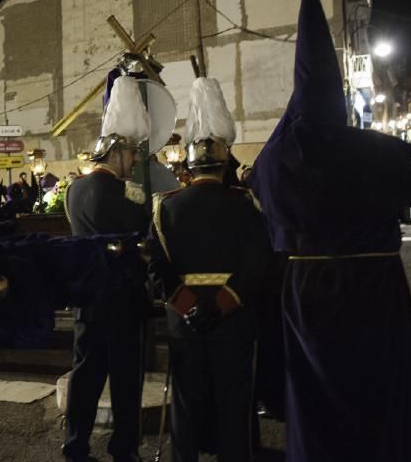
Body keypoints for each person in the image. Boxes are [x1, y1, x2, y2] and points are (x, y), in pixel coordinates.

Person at [248, 0, 411, 462]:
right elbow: (408, 185)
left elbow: (261, 186)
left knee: (316, 391)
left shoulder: (276, 158)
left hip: (309, 288)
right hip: (373, 283)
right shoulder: (380, 152)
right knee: (377, 384)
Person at [149, 76, 270, 462]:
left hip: (184, 325)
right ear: (225, 163)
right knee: (234, 408)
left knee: (186, 409)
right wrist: (220, 305)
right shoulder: (246, 204)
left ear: (188, 165)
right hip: (233, 323)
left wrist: (188, 307)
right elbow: (256, 265)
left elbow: (157, 272)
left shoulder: (164, 207)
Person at [62, 132, 149, 462]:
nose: (134, 161)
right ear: (114, 155)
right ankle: (124, 448)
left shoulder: (74, 189)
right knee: (125, 379)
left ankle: (75, 445)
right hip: (121, 296)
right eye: (130, 154)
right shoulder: (127, 194)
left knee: (85, 374)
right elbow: (141, 241)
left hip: (86, 295)